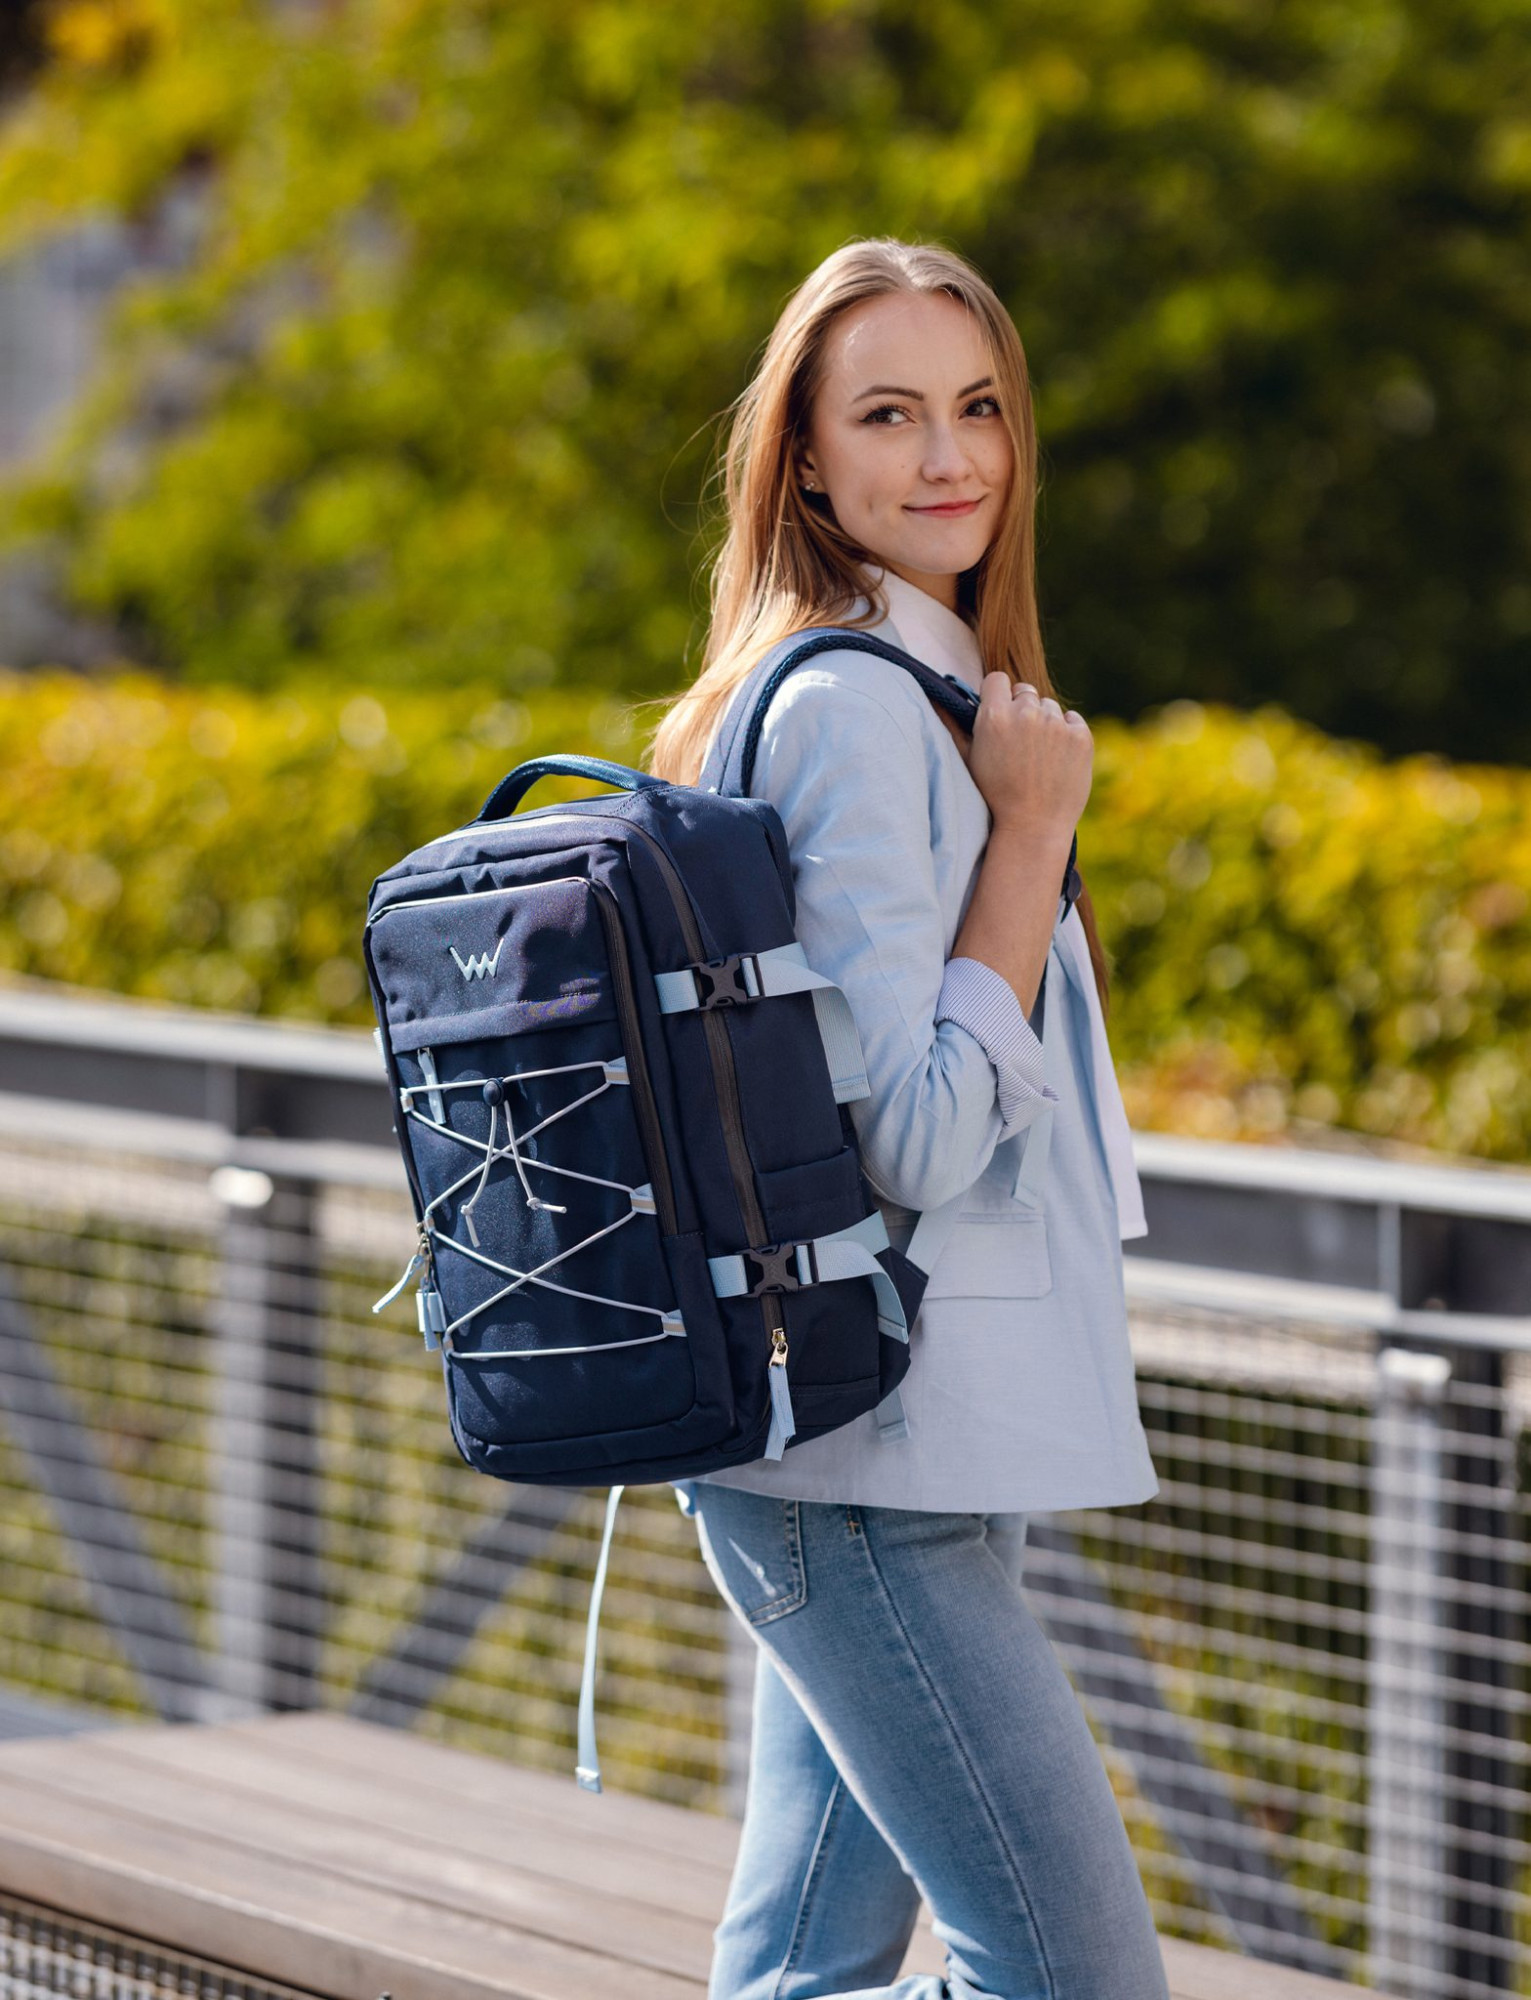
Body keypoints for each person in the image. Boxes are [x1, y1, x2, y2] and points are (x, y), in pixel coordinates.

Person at [645, 238, 1168, 2000]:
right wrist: (1032, 840)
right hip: (866, 1471)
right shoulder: (859, 719)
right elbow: (919, 1147)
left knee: (803, 1972)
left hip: (880, 1441)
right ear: (801, 459)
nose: (949, 457)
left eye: (979, 407)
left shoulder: (927, 697)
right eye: (887, 415)